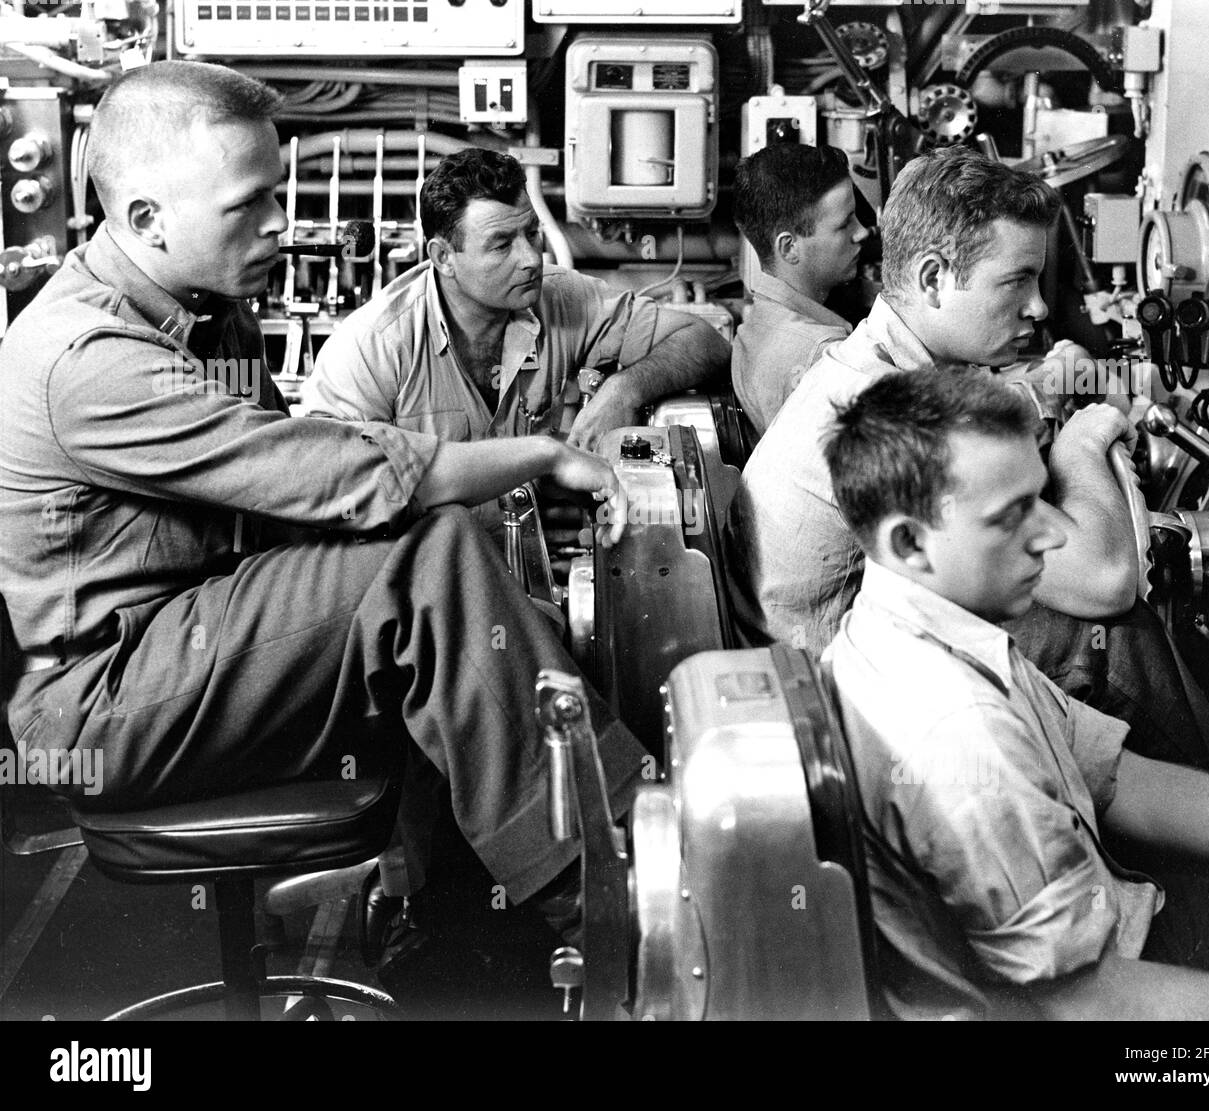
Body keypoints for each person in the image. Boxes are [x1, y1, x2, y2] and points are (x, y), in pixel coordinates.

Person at [0, 61, 648, 946]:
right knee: (428, 557)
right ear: (147, 219)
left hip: (192, 640)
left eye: (277, 194)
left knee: (444, 565)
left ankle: (484, 886)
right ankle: (621, 895)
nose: (278, 224)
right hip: (104, 704)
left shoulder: (201, 308)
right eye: (248, 205)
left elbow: (295, 509)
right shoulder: (90, 357)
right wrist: (545, 453)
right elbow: (327, 476)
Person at [725, 145, 1209, 776]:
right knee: (1111, 633)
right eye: (1016, 281)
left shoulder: (865, 361)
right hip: (847, 713)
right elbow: (1105, 582)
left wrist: (1047, 389)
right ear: (935, 278)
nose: (1039, 308)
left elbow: (980, 403)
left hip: (814, 668)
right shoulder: (888, 413)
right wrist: (1083, 438)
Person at [824, 369, 1209, 1021]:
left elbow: (1116, 779)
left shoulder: (923, 628)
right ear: (910, 540)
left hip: (1107, 938)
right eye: (1013, 514)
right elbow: (1084, 1004)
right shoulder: (962, 733)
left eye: (1040, 496)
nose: (1051, 533)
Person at [301, 147, 730, 457]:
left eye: (531, 233)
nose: (530, 259)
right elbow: (335, 484)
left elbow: (705, 342)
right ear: (443, 258)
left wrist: (625, 389)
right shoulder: (372, 347)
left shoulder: (562, 297)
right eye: (501, 244)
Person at [731, 143, 864, 435]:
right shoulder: (821, 355)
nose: (862, 232)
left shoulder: (752, 329)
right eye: (845, 224)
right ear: (789, 247)